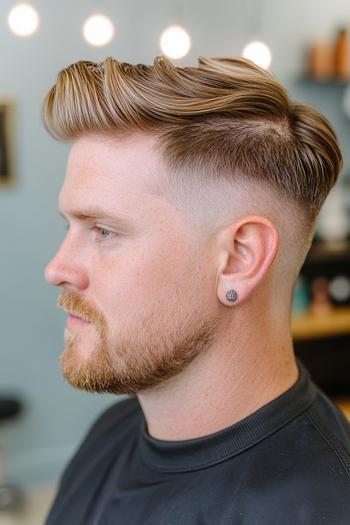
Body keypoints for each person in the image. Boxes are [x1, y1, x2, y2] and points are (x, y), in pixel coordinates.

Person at [42, 55, 350, 524]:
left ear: (239, 259)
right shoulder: (112, 432)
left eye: (103, 231)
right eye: (69, 226)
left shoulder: (318, 508)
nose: (57, 268)